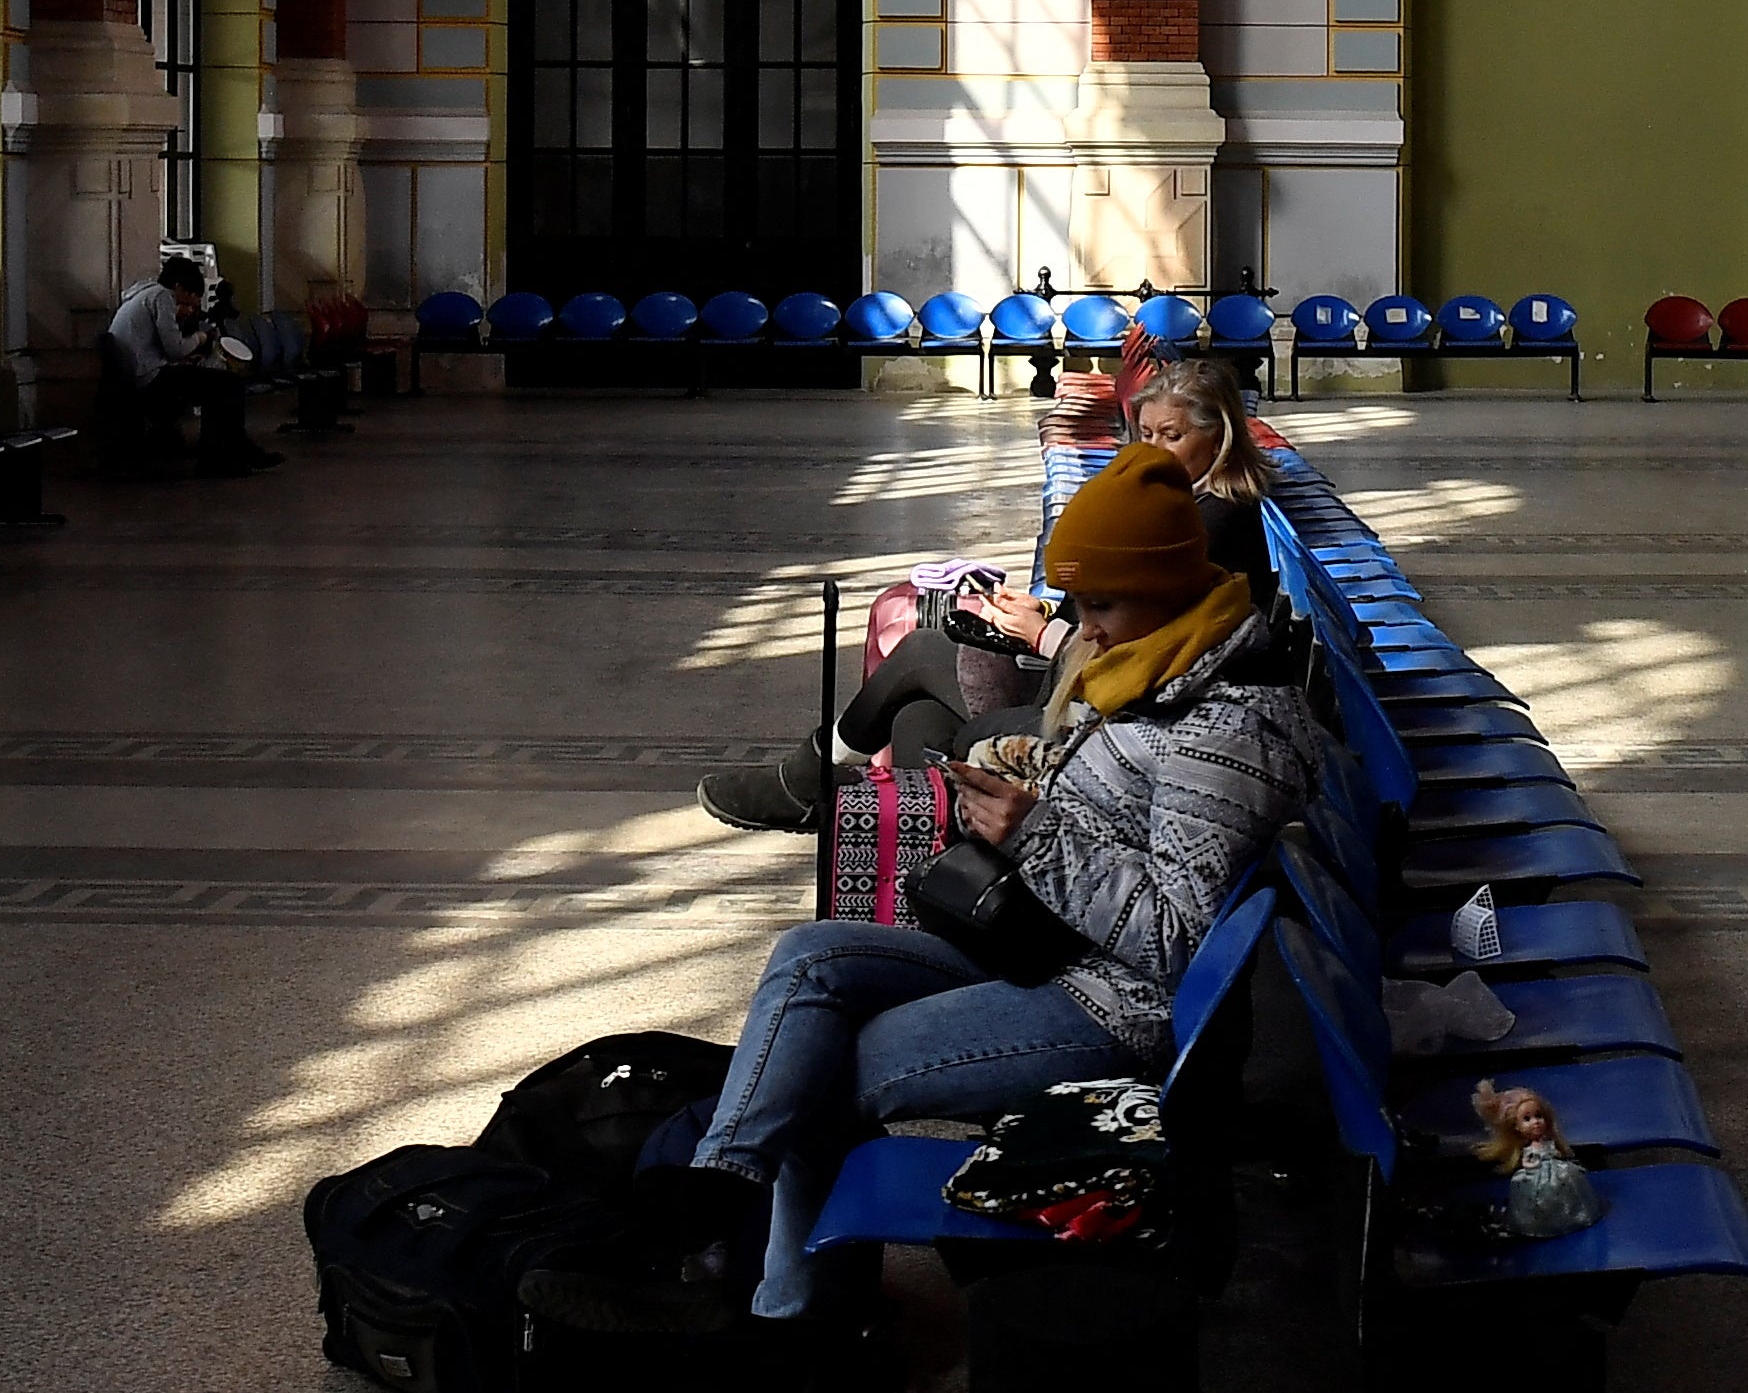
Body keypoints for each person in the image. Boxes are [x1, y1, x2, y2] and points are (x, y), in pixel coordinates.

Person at [555, 443, 1322, 1327]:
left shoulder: (1221, 730)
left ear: (1173, 585)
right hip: (1049, 947)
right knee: (810, 957)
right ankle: (718, 1189)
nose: (1087, 627)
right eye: (1078, 603)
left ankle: (790, 1318)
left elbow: (1176, 939)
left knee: (824, 1072)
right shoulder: (1162, 668)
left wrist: (1031, 833)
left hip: (1112, 1004)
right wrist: (1028, 774)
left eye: (1103, 604)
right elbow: (1127, 812)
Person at [698, 350, 1268, 832]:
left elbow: (1147, 658)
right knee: (916, 706)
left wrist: (1045, 633)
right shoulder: (1182, 507)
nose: (1152, 450)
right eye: (1143, 434)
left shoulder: (1210, 526)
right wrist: (1041, 612)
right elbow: (1121, 625)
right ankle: (894, 841)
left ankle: (819, 790)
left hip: (1087, 704)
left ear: (1220, 436)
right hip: (1075, 679)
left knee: (922, 660)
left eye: (1171, 436)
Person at [102, 255, 272, 475]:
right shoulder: (162, 296)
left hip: (138, 375)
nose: (190, 307)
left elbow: (154, 349)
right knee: (228, 385)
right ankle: (223, 456)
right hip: (150, 380)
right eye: (189, 298)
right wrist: (200, 338)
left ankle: (228, 452)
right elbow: (176, 347)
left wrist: (180, 361)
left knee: (217, 385)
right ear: (179, 287)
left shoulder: (141, 294)